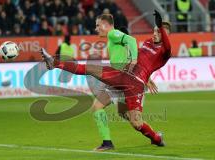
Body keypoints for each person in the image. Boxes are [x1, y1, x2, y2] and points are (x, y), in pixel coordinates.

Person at [40, 10, 170, 149]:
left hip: (134, 83)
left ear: (165, 35)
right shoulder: (149, 42)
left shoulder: (166, 51)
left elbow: (160, 48)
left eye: (158, 32)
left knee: (136, 123)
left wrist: (160, 27)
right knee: (97, 105)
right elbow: (142, 59)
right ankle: (107, 143)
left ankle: (156, 138)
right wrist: (148, 77)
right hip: (122, 76)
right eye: (154, 31)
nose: (154, 33)